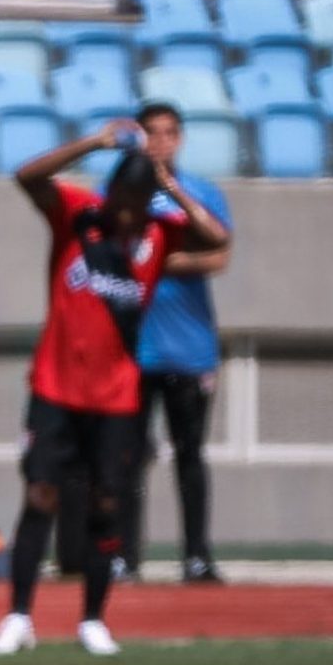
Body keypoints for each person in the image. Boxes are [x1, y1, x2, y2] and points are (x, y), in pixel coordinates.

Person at [0, 123, 228, 659]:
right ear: (110, 191)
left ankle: (92, 619)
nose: (125, 211)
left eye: (138, 201)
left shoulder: (158, 234)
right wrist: (93, 145)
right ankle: (19, 615)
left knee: (106, 504)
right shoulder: (78, 216)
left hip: (116, 396)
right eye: (122, 198)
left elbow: (215, 238)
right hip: (55, 388)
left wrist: (171, 187)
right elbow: (27, 176)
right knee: (40, 498)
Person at [127, 102, 234, 584]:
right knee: (127, 457)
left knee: (189, 455)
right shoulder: (126, 194)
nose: (161, 142)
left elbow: (218, 254)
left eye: (169, 133)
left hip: (190, 349)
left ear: (181, 139)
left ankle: (196, 555)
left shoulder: (201, 192)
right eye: (152, 133)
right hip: (135, 348)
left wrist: (162, 263)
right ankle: (123, 556)